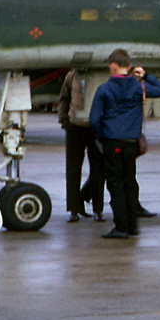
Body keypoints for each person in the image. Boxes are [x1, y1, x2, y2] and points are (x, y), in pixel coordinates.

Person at [87, 49, 160, 239]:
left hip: (112, 141)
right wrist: (146, 75)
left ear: (113, 66)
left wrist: (101, 138)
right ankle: (133, 225)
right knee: (129, 182)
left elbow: (94, 119)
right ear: (129, 67)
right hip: (131, 142)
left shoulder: (104, 89)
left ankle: (121, 226)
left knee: (115, 184)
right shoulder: (140, 88)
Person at [58, 68, 103, 222]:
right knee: (73, 169)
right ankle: (73, 210)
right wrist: (64, 119)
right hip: (75, 127)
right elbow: (65, 97)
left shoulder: (99, 75)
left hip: (96, 127)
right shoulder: (71, 76)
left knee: (98, 170)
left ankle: (98, 210)